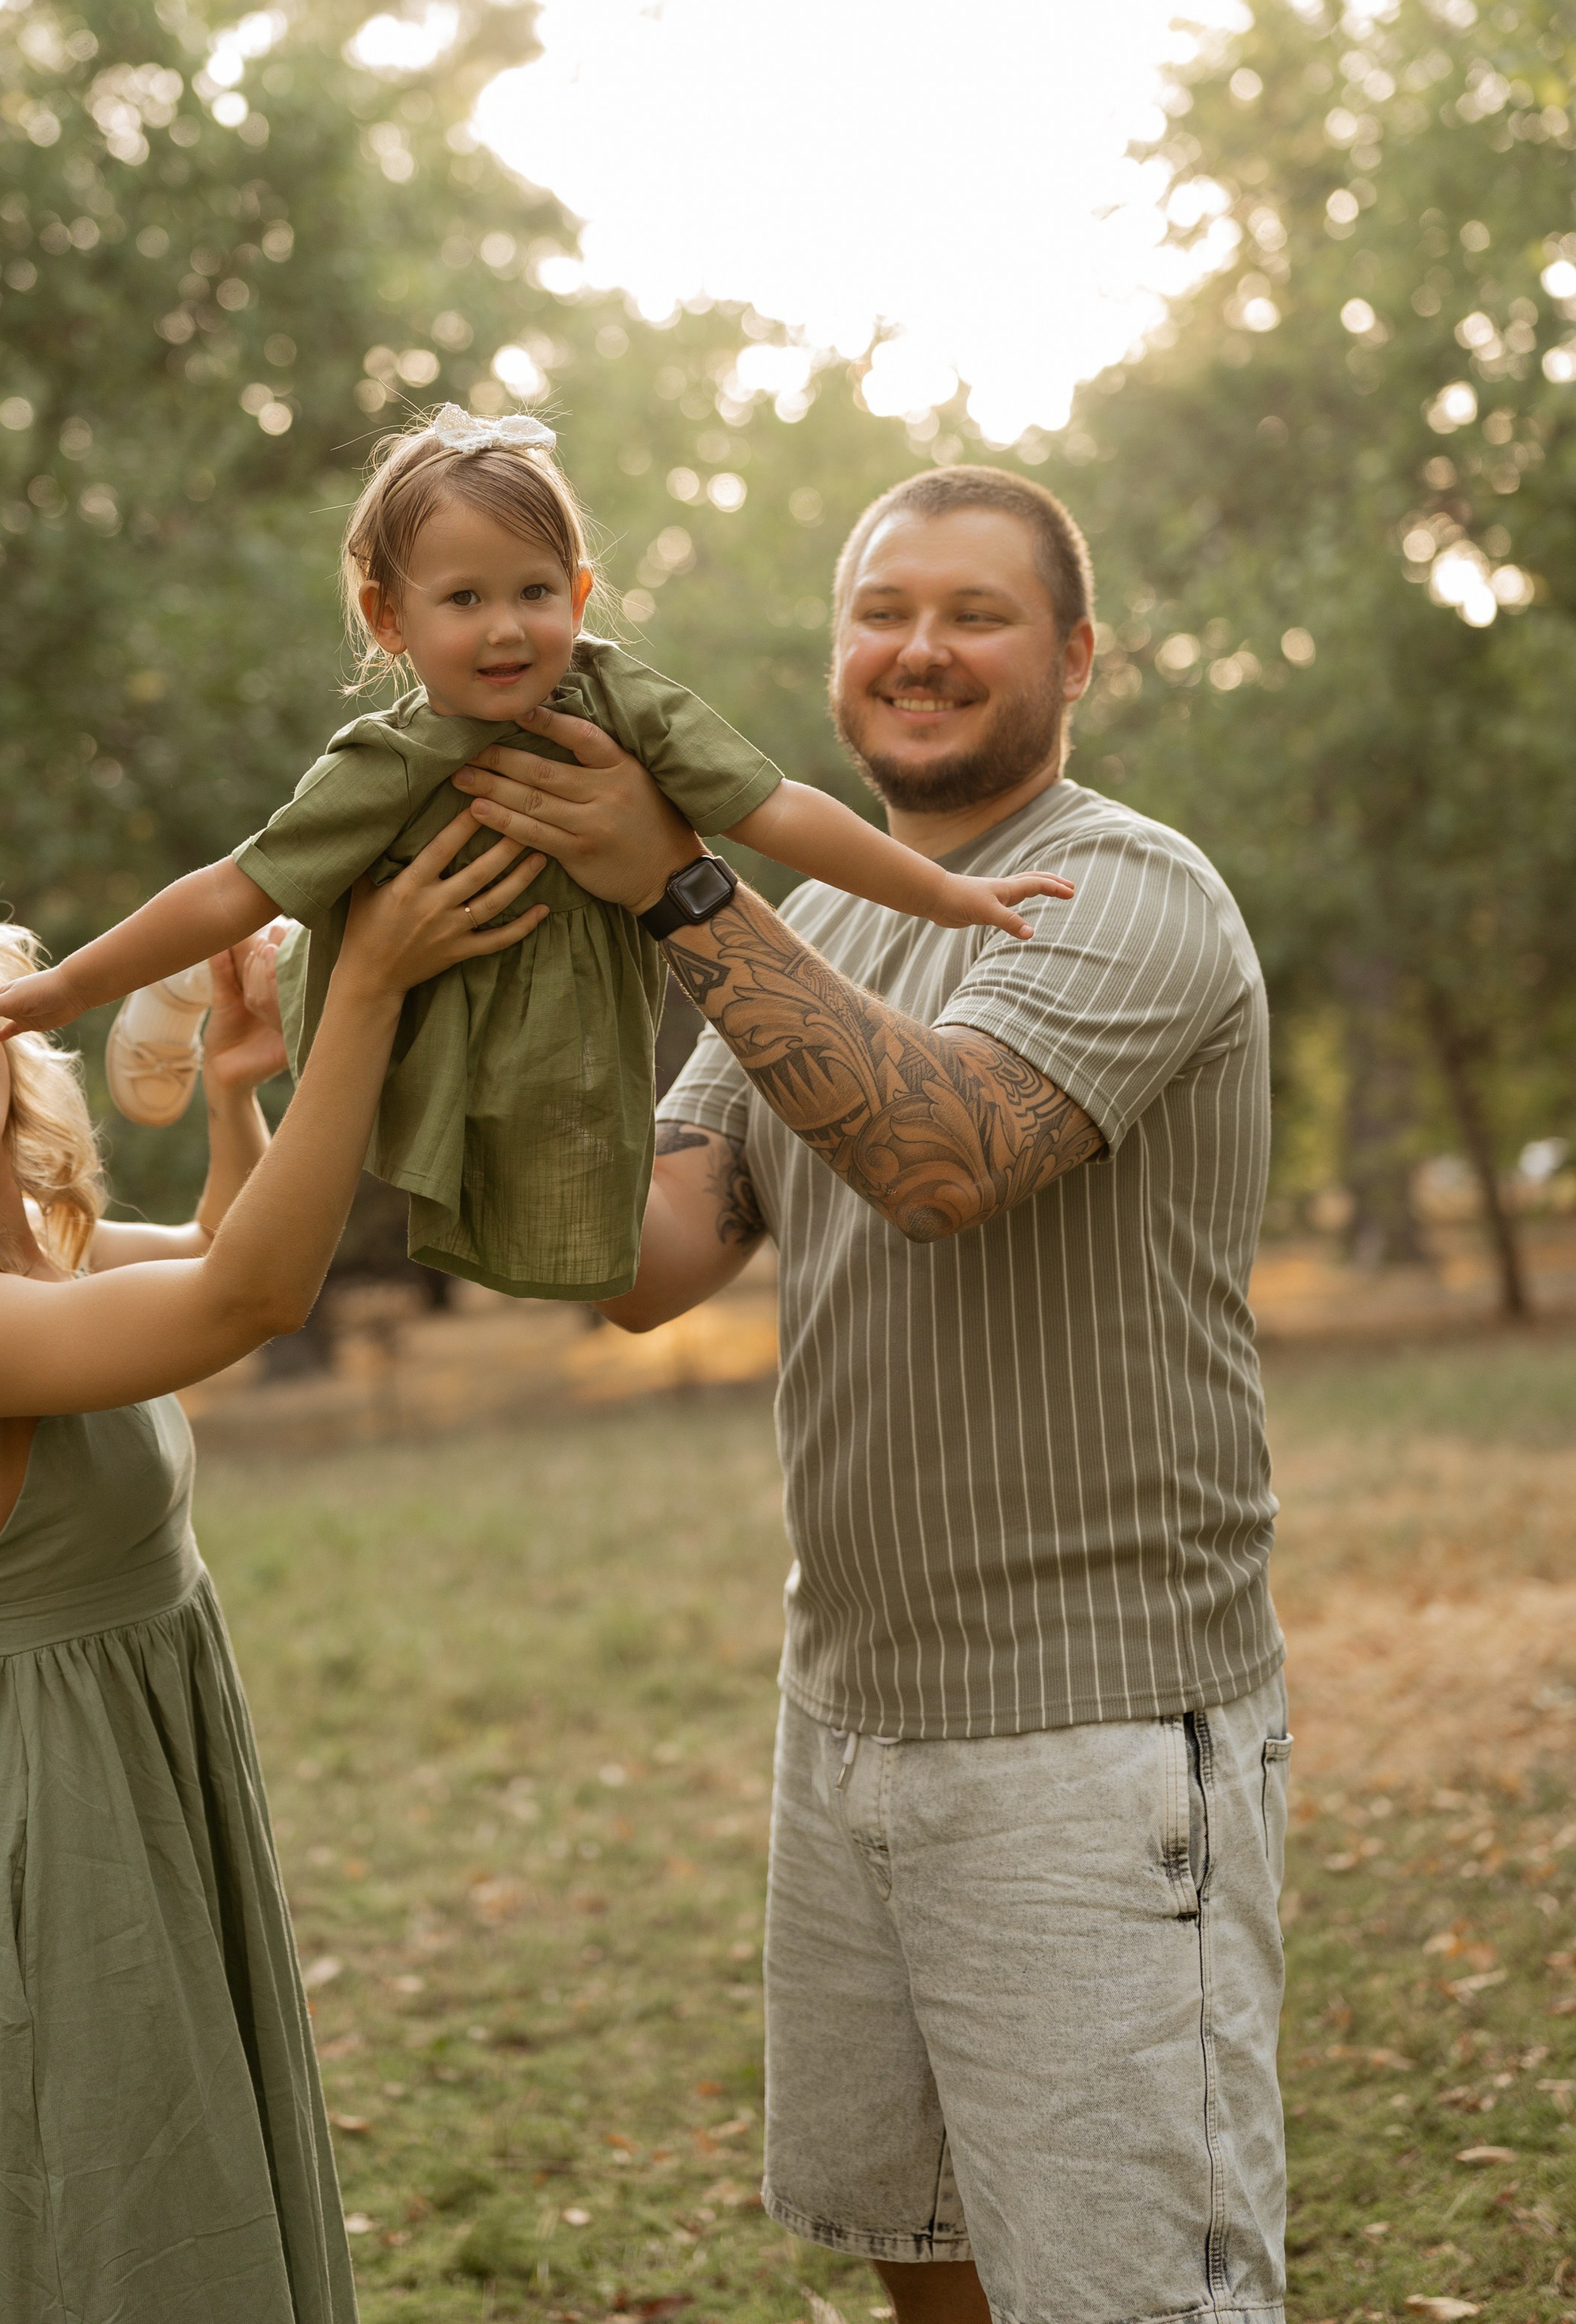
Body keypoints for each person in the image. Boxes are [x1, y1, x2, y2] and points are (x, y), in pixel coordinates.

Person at [448, 465, 1289, 2324]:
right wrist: (431, 1017)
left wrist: (677, 885)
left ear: (1076, 654)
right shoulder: (806, 941)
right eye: (879, 611)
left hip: (1091, 1729)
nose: (916, 648)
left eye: (971, 613)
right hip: (849, 1709)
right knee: (921, 2250)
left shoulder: (1124, 891)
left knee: (1128, 2293)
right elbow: (650, 1257)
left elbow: (939, 1153)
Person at [0, 826, 545, 2324]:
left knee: (158, 2178)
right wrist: (371, 997)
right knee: (118, 2208)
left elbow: (225, 1243)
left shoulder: (38, 1250)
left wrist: (235, 1084)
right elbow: (256, 1293)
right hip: (51, 1805)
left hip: (134, 1754)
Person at [0, 408, 1069, 1300]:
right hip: (414, 1004)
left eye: (535, 592)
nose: (505, 628)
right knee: (275, 932)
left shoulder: (620, 699)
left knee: (575, 1224)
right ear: (391, 620)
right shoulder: (390, 764)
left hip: (552, 1026)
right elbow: (230, 882)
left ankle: (248, 970)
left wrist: (943, 893)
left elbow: (772, 809)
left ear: (579, 595)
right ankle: (242, 972)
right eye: (464, 598)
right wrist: (67, 986)